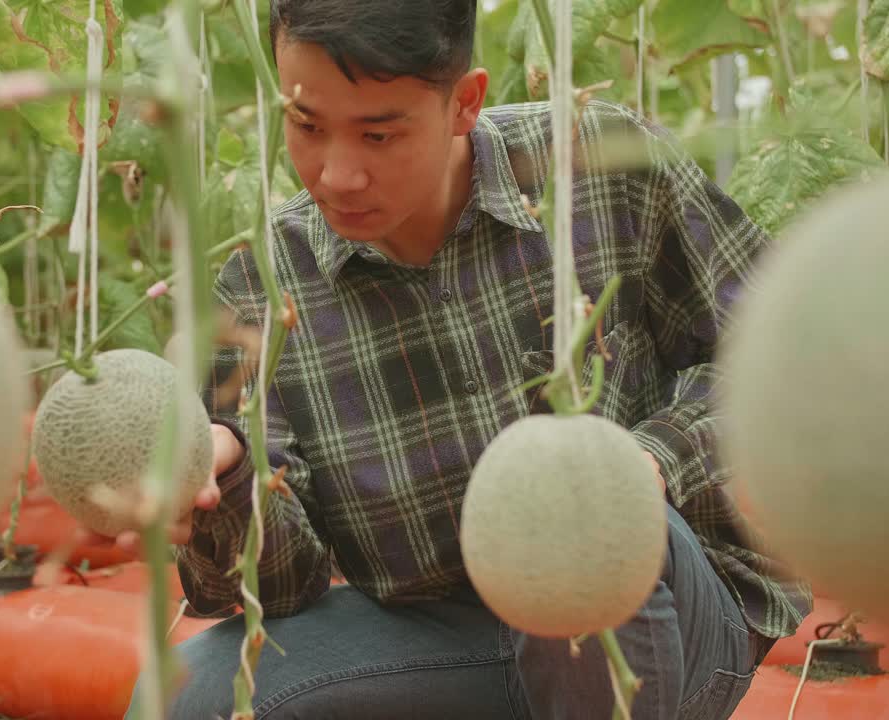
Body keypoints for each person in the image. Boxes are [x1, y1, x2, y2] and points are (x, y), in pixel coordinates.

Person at [121, 1, 813, 717]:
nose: (336, 174)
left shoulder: (599, 164)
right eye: (306, 126)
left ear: (465, 102)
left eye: (379, 133)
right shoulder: (261, 289)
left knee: (567, 509)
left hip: (661, 611)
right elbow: (276, 591)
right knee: (192, 693)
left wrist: (645, 464)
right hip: (450, 634)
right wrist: (230, 473)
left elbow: (777, 354)